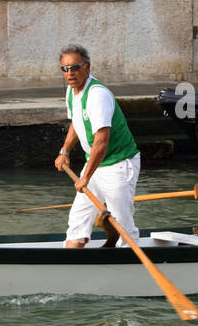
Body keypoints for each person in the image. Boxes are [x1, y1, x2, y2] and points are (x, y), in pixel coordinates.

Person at [54, 44, 141, 248]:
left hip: (119, 164)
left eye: (75, 67)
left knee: (122, 226)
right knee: (77, 221)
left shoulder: (97, 95)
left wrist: (85, 177)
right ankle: (71, 263)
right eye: (65, 69)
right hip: (95, 163)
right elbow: (76, 121)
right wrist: (64, 151)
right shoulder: (71, 91)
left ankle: (129, 259)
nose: (70, 73)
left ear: (87, 67)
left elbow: (101, 142)